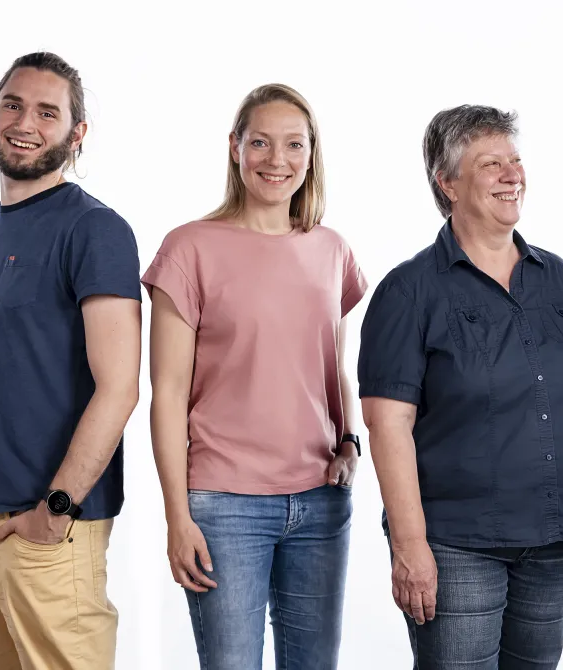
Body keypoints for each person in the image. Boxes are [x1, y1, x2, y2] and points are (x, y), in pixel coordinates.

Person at [357, 104, 563, 670]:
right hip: (456, 542)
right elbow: (387, 425)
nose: (511, 174)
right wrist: (410, 546)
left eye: (515, 160)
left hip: (556, 538)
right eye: (490, 163)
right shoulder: (409, 291)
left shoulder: (557, 276)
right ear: (447, 182)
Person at [0, 52, 142, 670]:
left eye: (49, 111)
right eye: (13, 103)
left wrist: (59, 507)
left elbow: (120, 385)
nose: (26, 122)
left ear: (76, 135)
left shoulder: (95, 229)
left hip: (46, 529)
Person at [142, 83, 366, 670]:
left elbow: (333, 366)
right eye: (261, 142)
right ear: (235, 147)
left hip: (321, 501)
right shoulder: (188, 248)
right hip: (224, 504)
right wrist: (177, 515)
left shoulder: (331, 249)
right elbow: (165, 393)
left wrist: (350, 442)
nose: (277, 159)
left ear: (311, 154)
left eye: (294, 144)